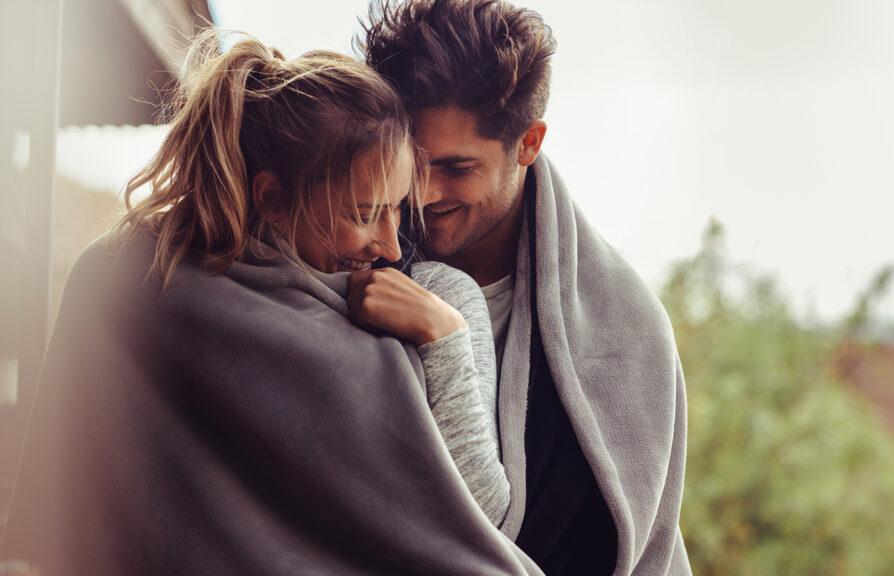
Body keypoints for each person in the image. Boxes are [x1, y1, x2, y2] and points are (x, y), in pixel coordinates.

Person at [2, 31, 536, 575]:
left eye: (398, 209)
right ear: (272, 199)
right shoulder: (131, 279)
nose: (392, 244)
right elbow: (67, 513)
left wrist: (443, 335)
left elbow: (483, 523)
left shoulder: (438, 301)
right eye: (362, 212)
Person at [361, 1, 693, 574]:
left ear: (529, 143)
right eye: (411, 161)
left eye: (457, 168)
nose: (423, 192)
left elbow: (644, 544)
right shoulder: (341, 257)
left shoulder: (630, 332)